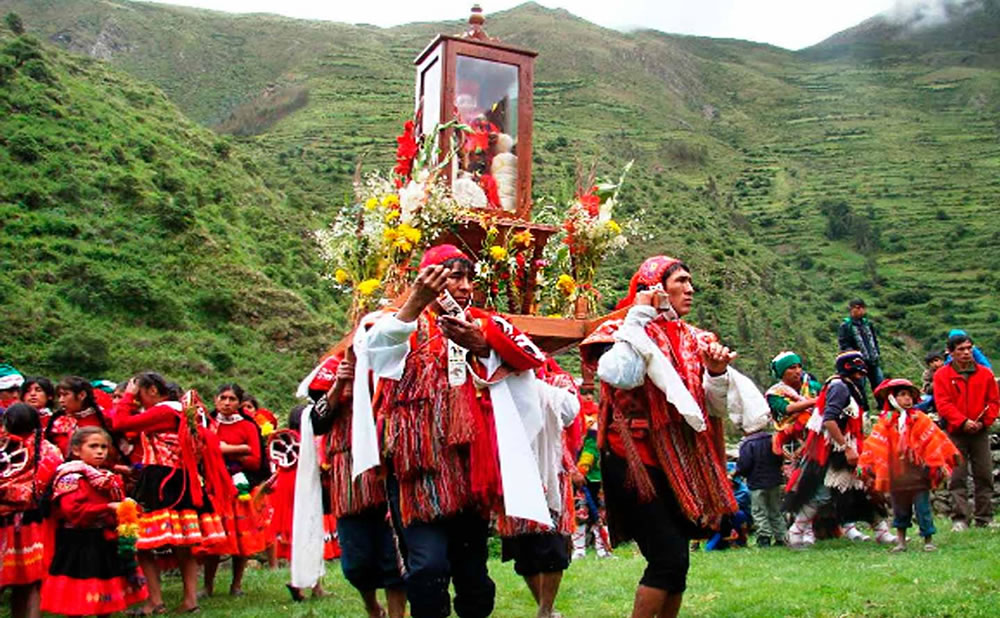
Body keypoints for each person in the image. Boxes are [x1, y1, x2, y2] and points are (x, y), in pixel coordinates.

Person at [362, 244, 548, 618]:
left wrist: (482, 346)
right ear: (428, 279)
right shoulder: (391, 320)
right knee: (428, 569)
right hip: (417, 471)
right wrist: (415, 302)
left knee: (473, 575)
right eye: (454, 276)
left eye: (468, 278)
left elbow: (533, 359)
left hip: (470, 470)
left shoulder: (483, 322)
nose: (465, 286)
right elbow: (379, 356)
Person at [580, 255, 763, 618]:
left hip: (682, 464)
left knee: (677, 566)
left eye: (690, 281)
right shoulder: (618, 332)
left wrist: (716, 373)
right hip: (635, 462)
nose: (690, 289)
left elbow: (712, 407)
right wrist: (639, 318)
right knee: (667, 559)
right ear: (653, 287)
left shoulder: (699, 339)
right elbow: (622, 375)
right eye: (680, 281)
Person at [109, 372, 230, 615]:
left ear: (152, 390)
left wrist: (127, 399)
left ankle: (155, 600)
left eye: (139, 393)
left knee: (143, 544)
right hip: (178, 478)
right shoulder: (180, 412)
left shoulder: (165, 411)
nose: (137, 399)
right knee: (182, 545)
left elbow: (120, 425)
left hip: (160, 480)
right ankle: (188, 600)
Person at [305, 353, 405, 616]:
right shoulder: (332, 370)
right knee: (356, 564)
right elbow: (317, 422)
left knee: (393, 557)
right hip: (347, 479)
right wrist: (339, 384)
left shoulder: (388, 365)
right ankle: (372, 606)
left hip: (385, 470)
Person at [783, 351, 895, 548]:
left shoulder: (846, 387)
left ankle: (882, 532)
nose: (862, 374)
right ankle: (796, 532)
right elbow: (830, 420)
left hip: (842, 448)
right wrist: (846, 448)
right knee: (821, 494)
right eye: (858, 370)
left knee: (864, 489)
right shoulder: (840, 388)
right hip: (834, 451)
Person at [497, 358, 581, 618]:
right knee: (523, 552)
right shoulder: (497, 382)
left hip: (551, 474)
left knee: (553, 548)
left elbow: (570, 413)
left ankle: (545, 609)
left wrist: (533, 386)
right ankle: (545, 608)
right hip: (511, 473)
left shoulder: (558, 382)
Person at [40, 427, 148, 616]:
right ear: (76, 450)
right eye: (93, 446)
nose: (100, 451)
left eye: (104, 447)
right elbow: (73, 512)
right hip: (77, 542)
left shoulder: (106, 477)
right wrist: (108, 508)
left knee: (105, 591)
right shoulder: (70, 477)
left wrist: (126, 508)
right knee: (77, 595)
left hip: (102, 539)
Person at [859, 379, 961, 553]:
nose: (907, 399)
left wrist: (934, 462)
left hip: (919, 475)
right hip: (897, 476)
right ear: (892, 399)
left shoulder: (920, 419)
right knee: (900, 510)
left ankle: (928, 539)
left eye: (909, 395)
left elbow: (933, 440)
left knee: (923, 509)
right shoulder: (886, 422)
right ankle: (901, 541)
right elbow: (875, 444)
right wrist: (868, 464)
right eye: (902, 395)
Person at [201, 383, 270, 598]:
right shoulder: (207, 424)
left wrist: (225, 452)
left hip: (240, 487)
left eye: (232, 399)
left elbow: (255, 461)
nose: (227, 403)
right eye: (223, 398)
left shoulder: (248, 426)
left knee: (242, 538)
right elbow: (202, 453)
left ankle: (236, 585)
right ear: (215, 400)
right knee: (215, 538)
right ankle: (207, 586)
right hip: (214, 486)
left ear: (239, 403)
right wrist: (240, 449)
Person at [0, 403, 63, 618]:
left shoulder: (3, 446)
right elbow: (45, 488)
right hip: (33, 522)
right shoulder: (49, 450)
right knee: (31, 581)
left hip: (7, 522)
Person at [265, 404, 333, 602]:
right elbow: (321, 464)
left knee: (299, 533)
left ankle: (311, 585)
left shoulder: (285, 439)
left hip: (285, 487)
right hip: (304, 486)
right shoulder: (308, 441)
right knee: (310, 531)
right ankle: (307, 584)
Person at [934, 332, 999, 530]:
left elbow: (994, 401)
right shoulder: (942, 376)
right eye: (961, 349)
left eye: (969, 348)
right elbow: (943, 404)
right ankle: (960, 518)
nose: (966, 353)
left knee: (984, 475)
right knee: (957, 476)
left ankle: (985, 518)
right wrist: (962, 422)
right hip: (956, 432)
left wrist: (983, 421)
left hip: (980, 432)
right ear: (951, 352)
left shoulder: (985, 374)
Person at [736, 412, 785, 547]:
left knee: (759, 511)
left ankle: (764, 537)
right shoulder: (773, 438)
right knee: (775, 510)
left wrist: (738, 473)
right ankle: (781, 536)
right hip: (774, 480)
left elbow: (744, 464)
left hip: (757, 482)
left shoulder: (748, 443)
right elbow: (779, 456)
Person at [571, 397, 611, 559]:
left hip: (599, 477)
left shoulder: (598, 425)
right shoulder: (574, 425)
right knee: (580, 513)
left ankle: (603, 550)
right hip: (580, 478)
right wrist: (578, 471)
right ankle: (579, 550)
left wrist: (583, 468)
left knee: (602, 515)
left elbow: (592, 450)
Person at [765, 351, 821, 462]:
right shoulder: (775, 393)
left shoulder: (812, 387)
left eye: (799, 367)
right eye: (792, 368)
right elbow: (787, 409)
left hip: (818, 434)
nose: (798, 371)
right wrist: (816, 401)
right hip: (789, 439)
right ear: (782, 373)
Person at [47, 377, 118, 460]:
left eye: (65, 395)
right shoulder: (57, 422)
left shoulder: (104, 419)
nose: (61, 400)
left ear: (82, 395)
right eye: (59, 396)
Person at [837, 299, 883, 392]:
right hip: (858, 363)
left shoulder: (868, 324)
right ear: (851, 309)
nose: (861, 310)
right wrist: (854, 357)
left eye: (863, 308)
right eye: (858, 308)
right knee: (860, 386)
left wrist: (877, 352)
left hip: (873, 360)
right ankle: (863, 406)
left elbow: (874, 340)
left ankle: (882, 405)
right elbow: (844, 344)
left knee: (879, 384)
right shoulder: (846, 325)